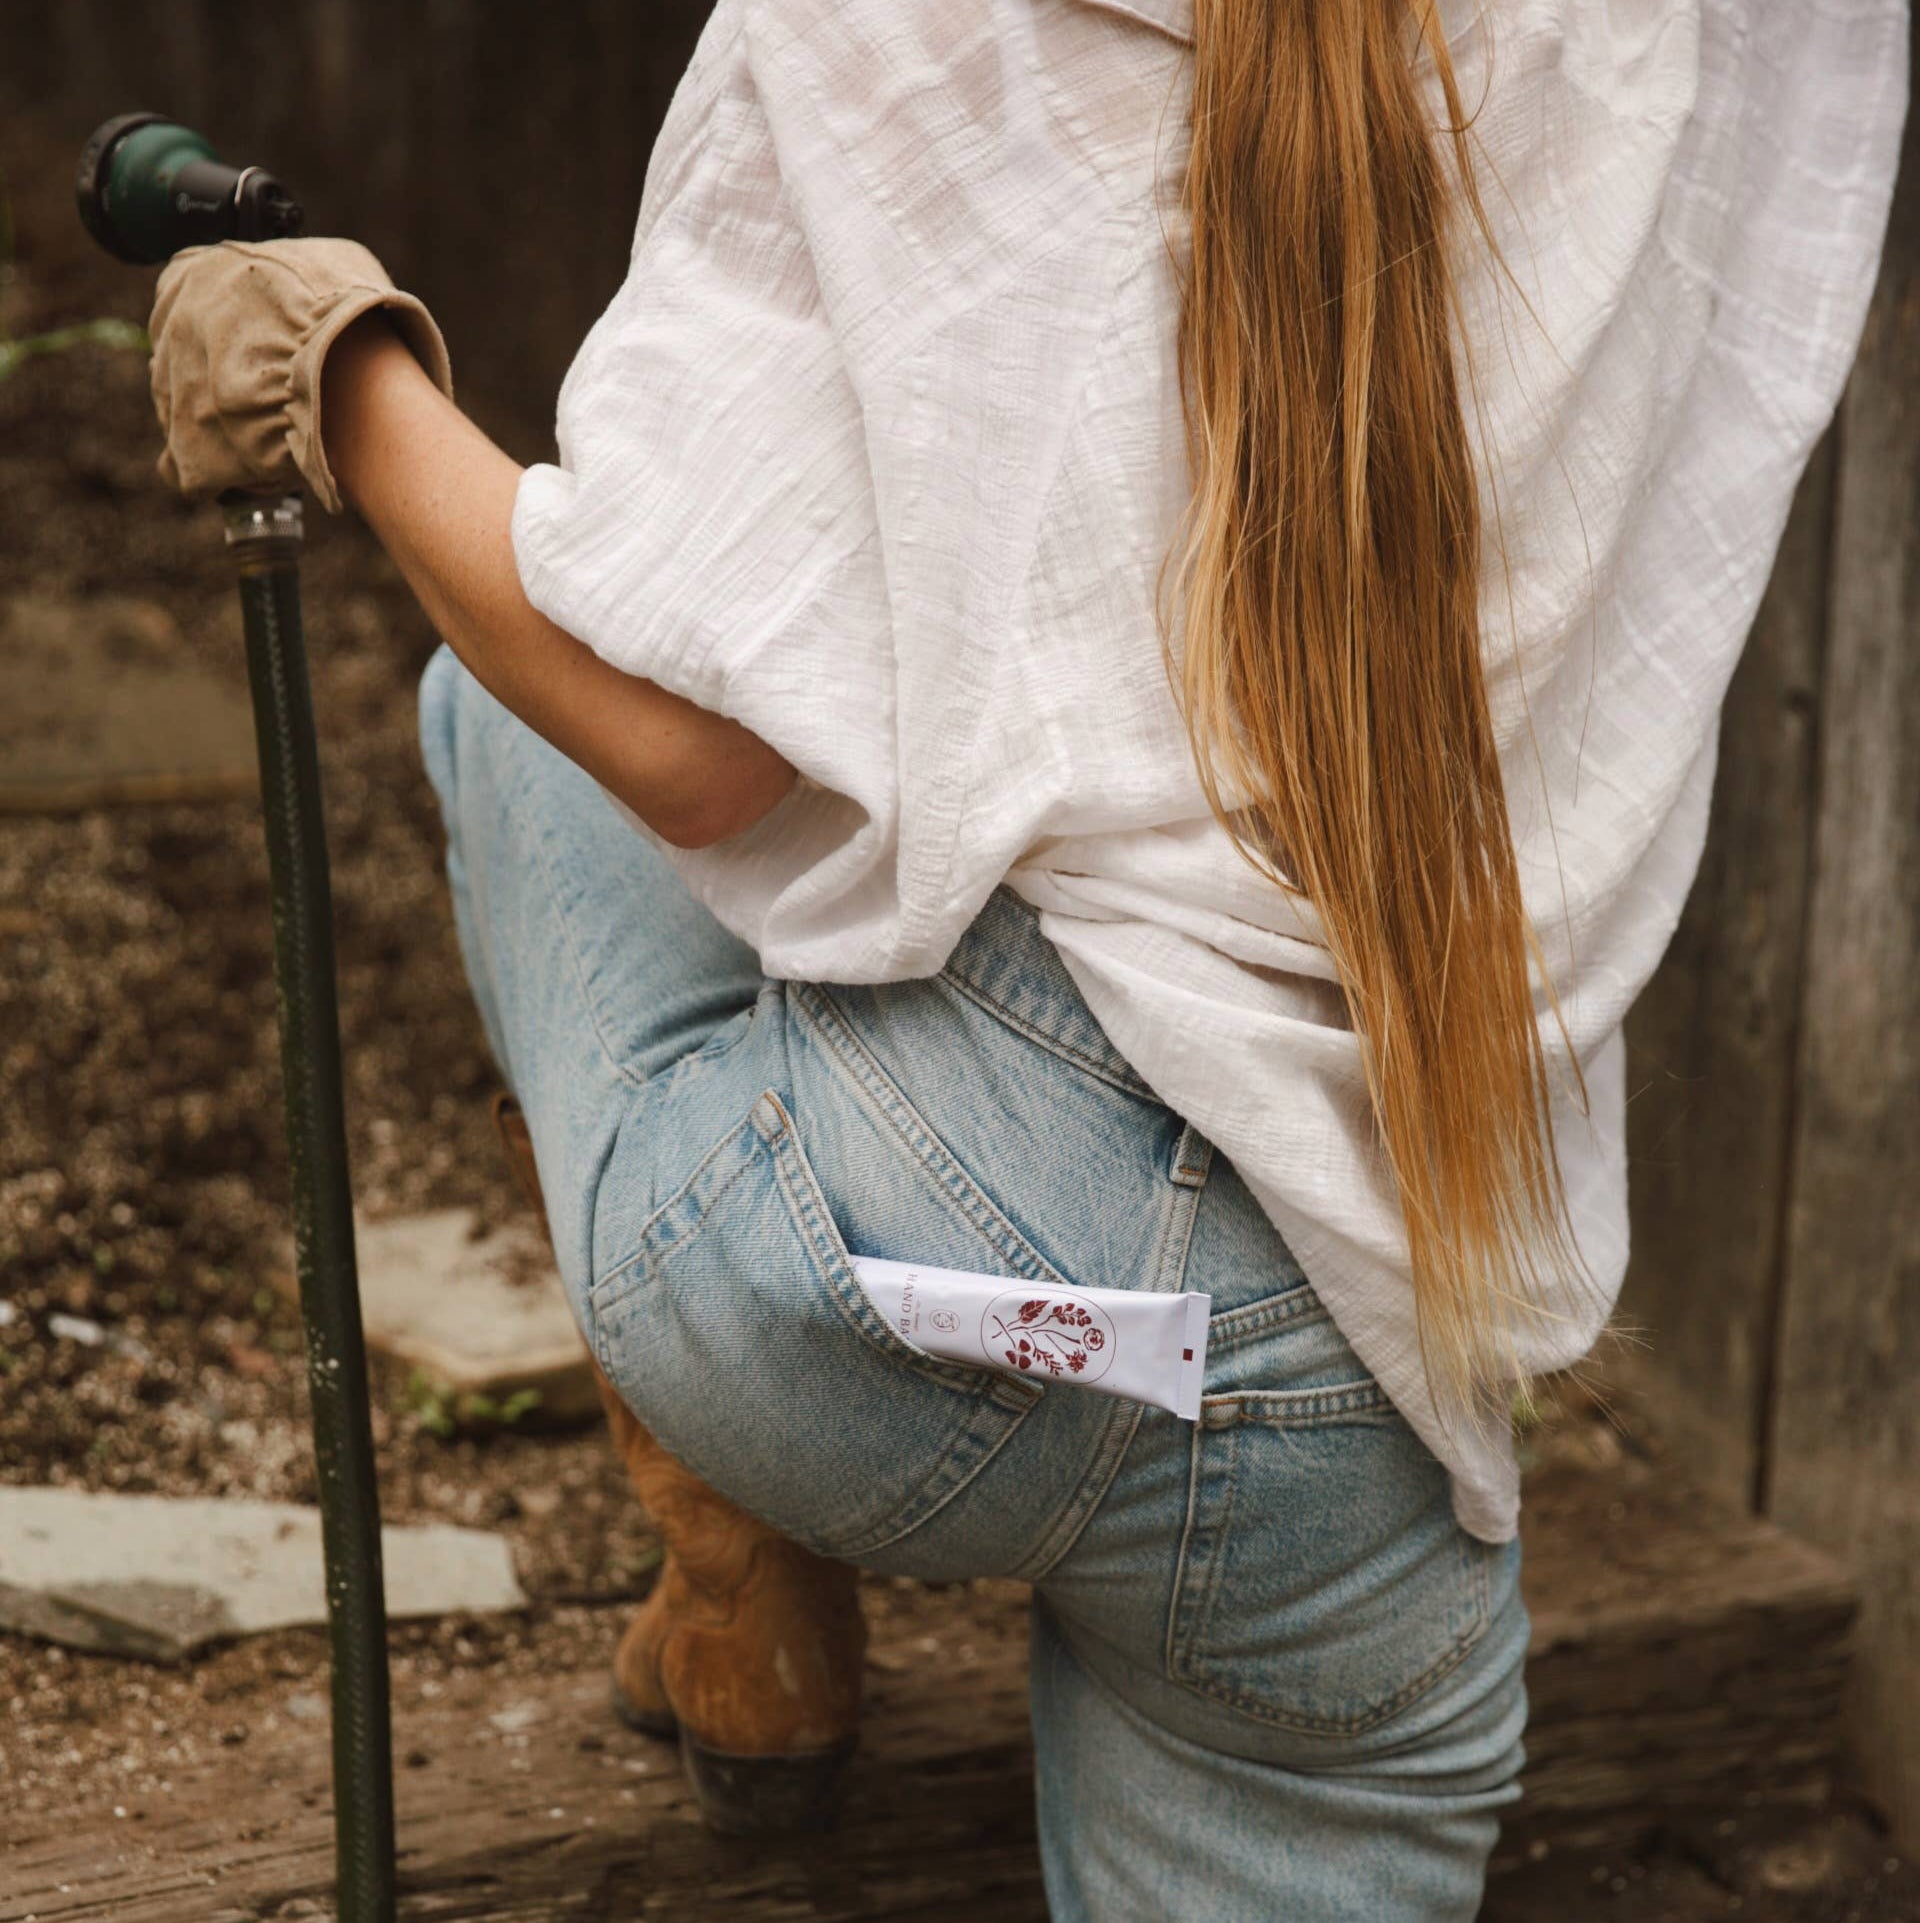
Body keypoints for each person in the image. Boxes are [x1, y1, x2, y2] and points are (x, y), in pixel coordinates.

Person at [144, 0, 1906, 1914]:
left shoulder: (892, 30)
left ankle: (749, 1588)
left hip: (891, 1272)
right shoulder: (1691, 34)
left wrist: (345, 376)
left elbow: (684, 737)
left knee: (518, 715)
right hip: (1384, 1357)